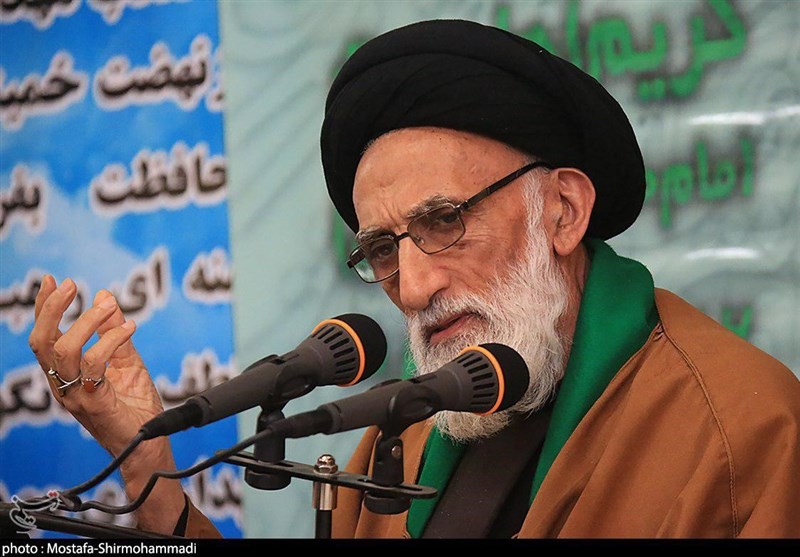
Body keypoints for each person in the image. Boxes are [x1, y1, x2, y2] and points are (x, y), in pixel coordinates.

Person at [28, 19, 799, 539]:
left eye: (444, 219)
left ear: (563, 211)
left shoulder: (744, 433)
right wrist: (149, 467)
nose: (416, 284)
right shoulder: (406, 431)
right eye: (383, 248)